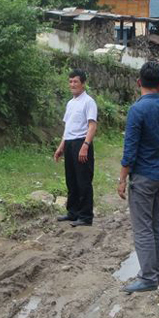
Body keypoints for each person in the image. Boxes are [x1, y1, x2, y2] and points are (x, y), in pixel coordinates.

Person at [117, 60, 159, 294]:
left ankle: (148, 277)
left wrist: (122, 179)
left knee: (142, 228)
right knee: (156, 225)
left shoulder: (137, 110)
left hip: (142, 177)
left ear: (139, 82)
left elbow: (129, 151)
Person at [53, 69, 98, 227]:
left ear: (83, 84)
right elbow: (68, 128)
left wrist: (85, 145)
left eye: (76, 82)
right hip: (70, 143)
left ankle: (86, 216)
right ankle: (73, 212)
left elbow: (92, 125)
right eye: (70, 81)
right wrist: (60, 147)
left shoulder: (88, 102)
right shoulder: (70, 103)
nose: (72, 84)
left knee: (83, 180)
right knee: (71, 179)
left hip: (81, 142)